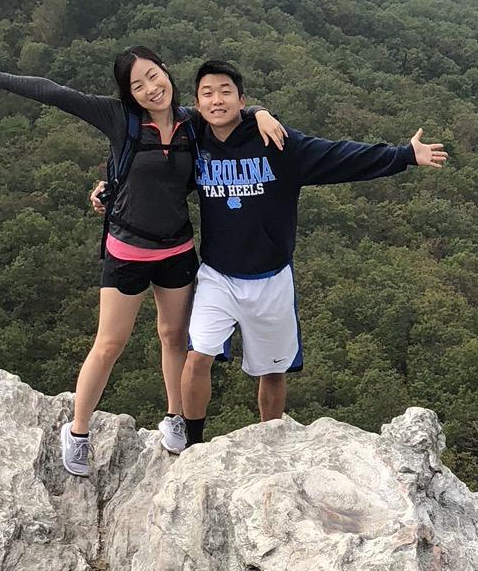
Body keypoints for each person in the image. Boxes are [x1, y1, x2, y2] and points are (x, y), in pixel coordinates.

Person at [0, 52, 286, 473]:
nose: (151, 89)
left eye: (154, 76)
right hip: (128, 251)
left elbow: (224, 109)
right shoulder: (119, 119)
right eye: (138, 85)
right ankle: (77, 431)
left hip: (177, 250)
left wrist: (260, 113)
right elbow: (54, 93)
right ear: (128, 94)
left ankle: (174, 417)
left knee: (174, 338)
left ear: (166, 72)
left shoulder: (191, 123)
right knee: (109, 344)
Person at [172, 58, 448, 439]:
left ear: (241, 99)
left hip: (271, 278)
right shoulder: (193, 141)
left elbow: (339, 156)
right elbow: (153, 174)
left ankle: (270, 440)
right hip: (218, 275)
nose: (216, 100)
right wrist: (111, 192)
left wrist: (404, 156)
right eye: (207, 93)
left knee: (273, 370)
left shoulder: (276, 142)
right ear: (197, 102)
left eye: (225, 92)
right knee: (198, 355)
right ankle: (191, 442)